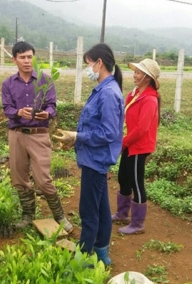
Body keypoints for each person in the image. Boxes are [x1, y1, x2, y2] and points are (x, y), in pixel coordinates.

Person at [53, 43, 124, 266]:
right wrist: (75, 138)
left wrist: (77, 135)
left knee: (89, 212)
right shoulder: (104, 89)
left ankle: (83, 259)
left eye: (88, 64)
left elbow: (109, 133)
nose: (88, 69)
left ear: (99, 63)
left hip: (96, 160)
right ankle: (101, 251)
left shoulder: (109, 93)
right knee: (101, 208)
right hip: (94, 158)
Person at [1, 41, 73, 233]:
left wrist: (47, 114)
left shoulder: (45, 80)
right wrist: (18, 112)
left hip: (39, 134)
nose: (26, 61)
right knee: (19, 177)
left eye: (29, 56)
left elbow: (52, 105)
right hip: (16, 135)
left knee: (43, 179)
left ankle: (59, 216)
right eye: (22, 57)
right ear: (14, 60)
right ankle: (27, 216)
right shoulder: (8, 84)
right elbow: (6, 108)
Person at [112, 58, 161, 235]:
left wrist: (122, 143)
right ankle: (122, 213)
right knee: (123, 178)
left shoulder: (149, 100)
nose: (134, 75)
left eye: (138, 72)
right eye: (135, 71)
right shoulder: (134, 94)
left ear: (147, 78)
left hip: (138, 147)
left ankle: (138, 224)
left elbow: (142, 129)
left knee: (136, 183)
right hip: (129, 144)